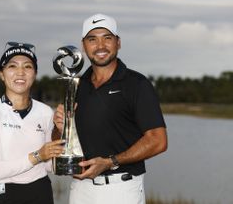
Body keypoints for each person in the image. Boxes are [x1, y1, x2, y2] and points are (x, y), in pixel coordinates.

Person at [52, 14, 168, 204]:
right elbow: (58, 145)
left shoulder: (137, 84)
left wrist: (110, 162)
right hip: (80, 190)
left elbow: (158, 141)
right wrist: (59, 127)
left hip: (121, 189)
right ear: (84, 45)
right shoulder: (77, 87)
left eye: (107, 38)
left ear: (118, 43)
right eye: (92, 39)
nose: (100, 46)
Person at [0, 42, 64, 204]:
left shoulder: (45, 111)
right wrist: (38, 155)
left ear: (35, 73)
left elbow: (49, 167)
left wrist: (61, 135)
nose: (20, 72)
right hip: (7, 193)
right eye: (12, 66)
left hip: (41, 192)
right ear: (2, 74)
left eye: (27, 67)